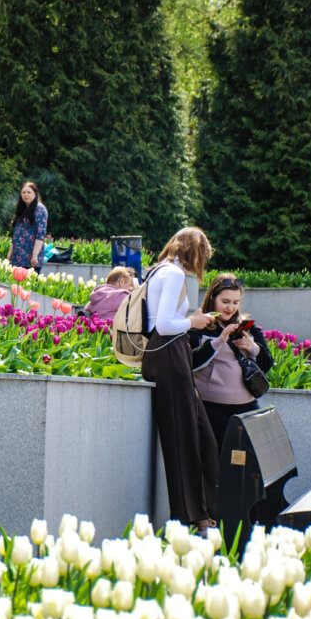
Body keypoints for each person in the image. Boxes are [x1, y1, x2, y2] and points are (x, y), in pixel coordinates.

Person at [140, 227, 218, 534]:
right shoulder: (172, 274)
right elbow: (164, 324)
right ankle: (195, 519)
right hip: (169, 355)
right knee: (185, 438)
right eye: (204, 257)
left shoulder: (162, 271)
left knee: (198, 437)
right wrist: (194, 321)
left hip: (173, 355)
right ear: (194, 252)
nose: (204, 264)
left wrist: (191, 320)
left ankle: (201, 514)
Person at [188, 273, 274, 449]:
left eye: (236, 302)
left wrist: (252, 348)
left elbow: (266, 364)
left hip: (247, 408)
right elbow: (191, 362)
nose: (230, 308)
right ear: (212, 298)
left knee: (243, 466)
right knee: (217, 463)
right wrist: (219, 341)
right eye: (225, 301)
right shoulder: (200, 325)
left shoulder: (247, 327)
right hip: (210, 408)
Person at [6, 181, 48, 270]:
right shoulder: (22, 210)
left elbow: (41, 234)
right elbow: (16, 236)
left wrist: (35, 256)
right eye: (23, 192)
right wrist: (9, 256)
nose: (26, 195)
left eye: (29, 192)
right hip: (17, 258)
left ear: (35, 194)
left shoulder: (40, 209)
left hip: (30, 260)